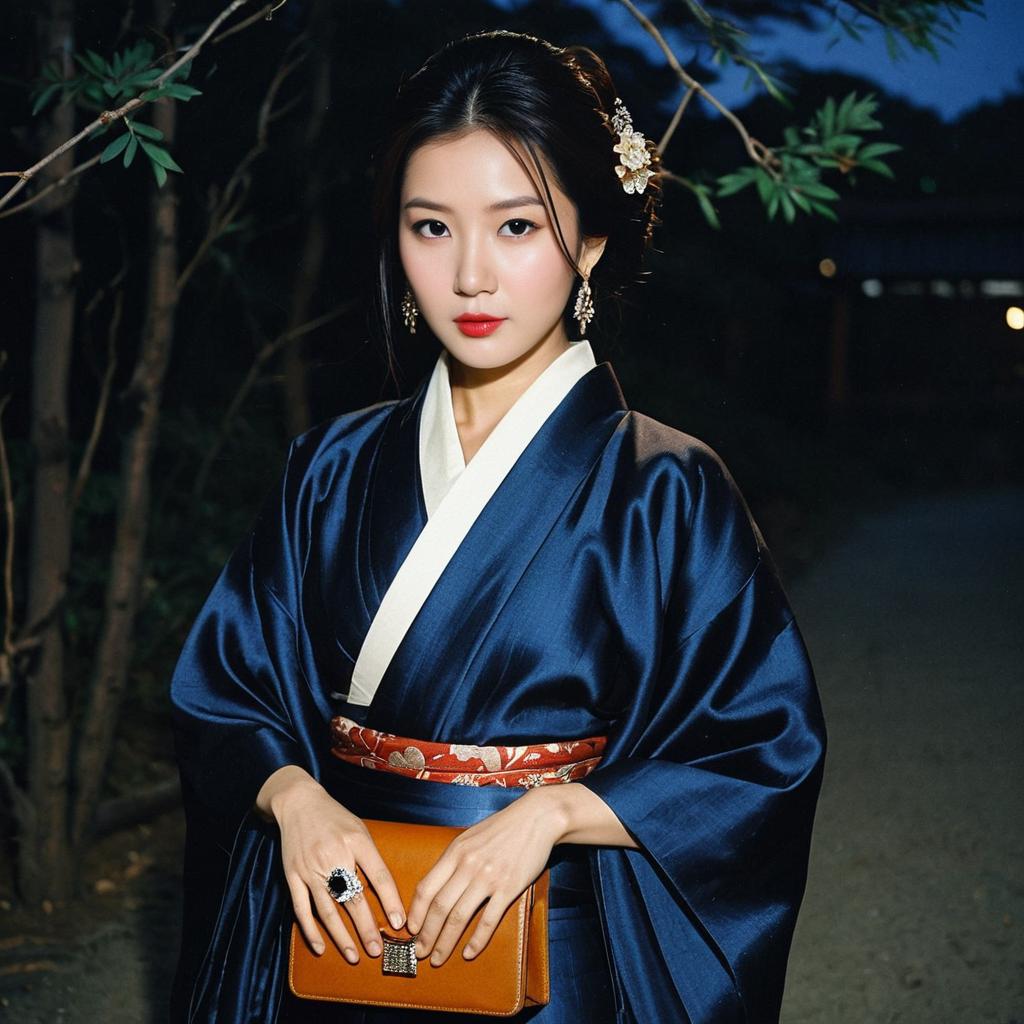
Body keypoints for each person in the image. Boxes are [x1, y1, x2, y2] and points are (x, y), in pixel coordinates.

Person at [169, 29, 826, 1024]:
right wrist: (291, 797)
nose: (469, 275)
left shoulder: (668, 488)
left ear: (591, 239)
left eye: (515, 227)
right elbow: (226, 690)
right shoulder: (330, 469)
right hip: (340, 929)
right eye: (430, 227)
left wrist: (558, 810)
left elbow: (760, 746)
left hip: (551, 953)